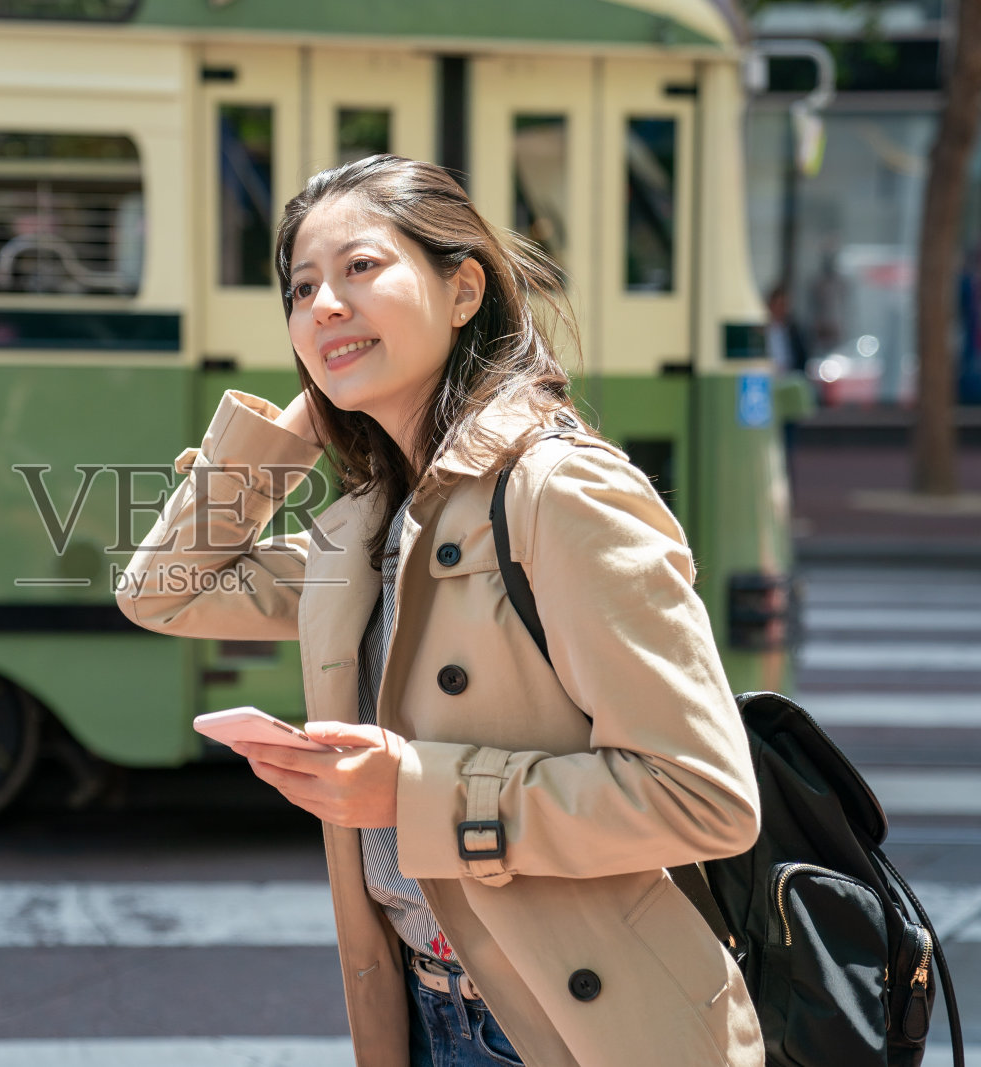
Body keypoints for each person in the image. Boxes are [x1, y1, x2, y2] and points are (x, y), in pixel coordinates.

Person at [114, 155, 763, 1067]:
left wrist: (412, 792)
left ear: (464, 291)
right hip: (426, 1013)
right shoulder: (377, 523)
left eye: (361, 269)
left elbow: (706, 799)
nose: (323, 305)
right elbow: (161, 591)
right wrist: (302, 416)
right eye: (301, 291)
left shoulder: (559, 491)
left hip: (574, 1028)